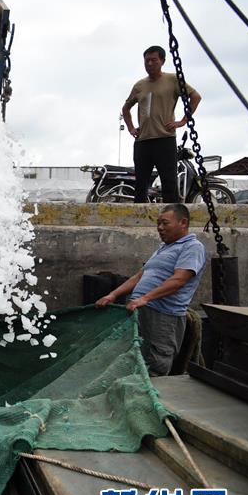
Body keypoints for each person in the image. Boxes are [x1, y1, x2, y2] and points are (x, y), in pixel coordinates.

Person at [95, 204, 207, 377]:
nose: (160, 228)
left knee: (156, 364)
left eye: (165, 223)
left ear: (183, 223)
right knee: (134, 360)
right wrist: (113, 294)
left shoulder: (192, 247)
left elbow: (179, 280)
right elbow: (139, 276)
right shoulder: (163, 248)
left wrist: (145, 298)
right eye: (158, 223)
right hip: (140, 312)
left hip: (163, 316)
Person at [122, 45, 201, 204]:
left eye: (154, 60)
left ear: (162, 61)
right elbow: (126, 108)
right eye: (147, 61)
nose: (150, 64)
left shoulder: (172, 80)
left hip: (164, 139)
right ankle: (140, 218)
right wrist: (131, 127)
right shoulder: (139, 86)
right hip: (143, 140)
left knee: (169, 182)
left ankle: (170, 217)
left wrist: (183, 121)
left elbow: (196, 97)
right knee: (141, 183)